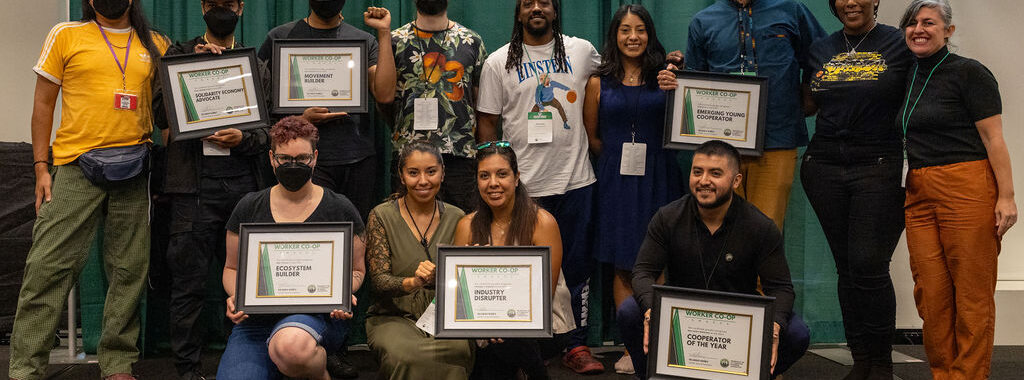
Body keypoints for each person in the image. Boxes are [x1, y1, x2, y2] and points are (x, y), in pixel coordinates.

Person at [9, 1, 168, 379]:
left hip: (134, 169)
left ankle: (117, 362)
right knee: (46, 267)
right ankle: (25, 368)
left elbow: (171, 108)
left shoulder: (157, 43)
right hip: (74, 167)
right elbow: (43, 104)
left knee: (129, 270)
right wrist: (40, 167)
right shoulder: (65, 35)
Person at [476, 0, 604, 373]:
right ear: (518, 13)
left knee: (577, 269)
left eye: (544, 2)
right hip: (523, 187)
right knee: (519, 271)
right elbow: (487, 124)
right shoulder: (498, 62)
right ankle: (523, 345)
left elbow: (625, 71)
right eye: (528, 3)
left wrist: (668, 63)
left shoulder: (581, 51)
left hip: (576, 180)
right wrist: (495, 171)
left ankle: (576, 346)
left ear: (555, 11)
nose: (537, 8)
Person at [150, 1, 273, 379]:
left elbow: (269, 133)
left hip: (243, 187)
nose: (222, 8)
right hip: (192, 188)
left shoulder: (255, 66)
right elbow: (157, 114)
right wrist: (187, 65)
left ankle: (254, 362)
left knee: (251, 282)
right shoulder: (180, 55)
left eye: (230, 3)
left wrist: (243, 138)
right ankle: (188, 369)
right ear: (203, 7)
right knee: (188, 283)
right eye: (214, 3)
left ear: (241, 8)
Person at [618, 140, 810, 379]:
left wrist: (775, 325)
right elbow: (643, 272)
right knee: (630, 312)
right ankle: (653, 375)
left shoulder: (760, 226)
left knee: (797, 333)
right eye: (697, 171)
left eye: (715, 173)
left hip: (736, 321)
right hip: (680, 317)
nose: (704, 180)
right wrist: (650, 309)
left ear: (736, 180)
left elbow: (781, 288)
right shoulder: (667, 217)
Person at [898, 1, 1017, 379]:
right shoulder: (908, 74)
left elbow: (994, 139)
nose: (919, 29)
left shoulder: (970, 73)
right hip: (918, 190)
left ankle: (968, 375)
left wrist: (1007, 196)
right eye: (912, 23)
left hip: (966, 186)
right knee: (930, 294)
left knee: (971, 294)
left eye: (929, 22)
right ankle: (943, 373)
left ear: (948, 31)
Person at [798, 1, 914, 379]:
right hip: (824, 166)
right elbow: (806, 104)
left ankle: (881, 363)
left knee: (868, 265)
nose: (850, 2)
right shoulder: (821, 48)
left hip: (880, 164)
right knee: (846, 268)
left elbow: (923, 96)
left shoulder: (899, 44)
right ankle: (861, 360)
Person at [217, 116, 366, 380]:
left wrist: (343, 293)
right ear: (272, 158)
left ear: (315, 157)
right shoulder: (249, 206)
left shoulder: (339, 207)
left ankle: (319, 371)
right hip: (256, 321)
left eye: (302, 158)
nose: (293, 165)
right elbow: (231, 268)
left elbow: (357, 270)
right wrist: (236, 296)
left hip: (315, 316)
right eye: (285, 159)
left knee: (291, 347)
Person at [581, 4, 682, 375]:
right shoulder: (597, 81)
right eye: (625, 30)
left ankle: (656, 344)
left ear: (649, 33)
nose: (633, 37)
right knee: (623, 264)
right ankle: (630, 348)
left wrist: (678, 82)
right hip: (616, 180)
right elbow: (593, 137)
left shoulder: (667, 76)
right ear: (615, 36)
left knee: (658, 261)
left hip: (659, 175)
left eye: (640, 29)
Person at [682, 0, 826, 227]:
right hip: (722, 145)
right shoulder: (703, 21)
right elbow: (695, 79)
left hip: (777, 138)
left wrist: (809, 100)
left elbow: (822, 56)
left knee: (767, 230)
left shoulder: (790, 9)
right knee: (722, 231)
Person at [453, 141, 576, 380]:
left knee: (503, 345)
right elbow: (460, 296)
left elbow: (544, 294)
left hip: (543, 321)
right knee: (494, 353)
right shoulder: (466, 225)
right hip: (484, 322)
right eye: (484, 176)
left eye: (502, 174)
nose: (493, 183)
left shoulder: (541, 222)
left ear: (517, 177)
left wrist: (502, 323)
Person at [257, 0, 381, 220]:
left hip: (357, 160)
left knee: (355, 234)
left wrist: (385, 33)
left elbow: (385, 94)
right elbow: (258, 105)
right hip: (302, 161)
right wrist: (301, 119)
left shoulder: (365, 40)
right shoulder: (278, 37)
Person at [363, 140, 474, 379]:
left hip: (446, 319)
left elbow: (467, 282)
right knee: (406, 355)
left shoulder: (458, 217)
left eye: (431, 172)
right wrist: (414, 282)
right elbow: (379, 282)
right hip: (393, 317)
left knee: (457, 349)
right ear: (401, 177)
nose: (423, 181)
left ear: (442, 174)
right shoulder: (381, 215)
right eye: (413, 173)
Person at [367, 0, 487, 213]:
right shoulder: (394, 40)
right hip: (409, 157)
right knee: (410, 231)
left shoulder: (471, 41)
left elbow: (480, 104)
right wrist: (383, 33)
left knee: (462, 232)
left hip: (459, 156)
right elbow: (384, 97)